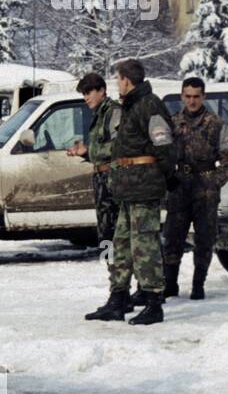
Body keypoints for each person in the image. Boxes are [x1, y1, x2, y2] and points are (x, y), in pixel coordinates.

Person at [85, 59, 175, 325]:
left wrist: (166, 177)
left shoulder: (149, 104)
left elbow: (165, 145)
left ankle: (153, 302)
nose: (116, 84)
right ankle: (118, 299)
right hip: (127, 189)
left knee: (144, 245)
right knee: (122, 245)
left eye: (117, 79)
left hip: (143, 188)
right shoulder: (130, 106)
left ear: (126, 80)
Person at [162, 77, 228, 300]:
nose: (192, 101)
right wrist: (168, 179)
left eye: (196, 96)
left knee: (204, 240)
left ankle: (198, 285)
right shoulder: (172, 123)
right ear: (182, 96)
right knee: (172, 238)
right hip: (179, 186)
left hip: (205, 188)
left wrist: (212, 182)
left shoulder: (216, 124)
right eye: (188, 96)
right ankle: (170, 284)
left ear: (203, 96)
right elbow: (162, 156)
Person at [68, 72, 122, 255]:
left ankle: (118, 277)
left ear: (102, 91)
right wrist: (85, 151)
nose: (86, 98)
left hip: (114, 183)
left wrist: (88, 150)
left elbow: (118, 146)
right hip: (102, 181)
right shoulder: (99, 115)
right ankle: (112, 272)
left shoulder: (114, 112)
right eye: (84, 93)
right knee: (106, 235)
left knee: (116, 235)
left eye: (88, 92)